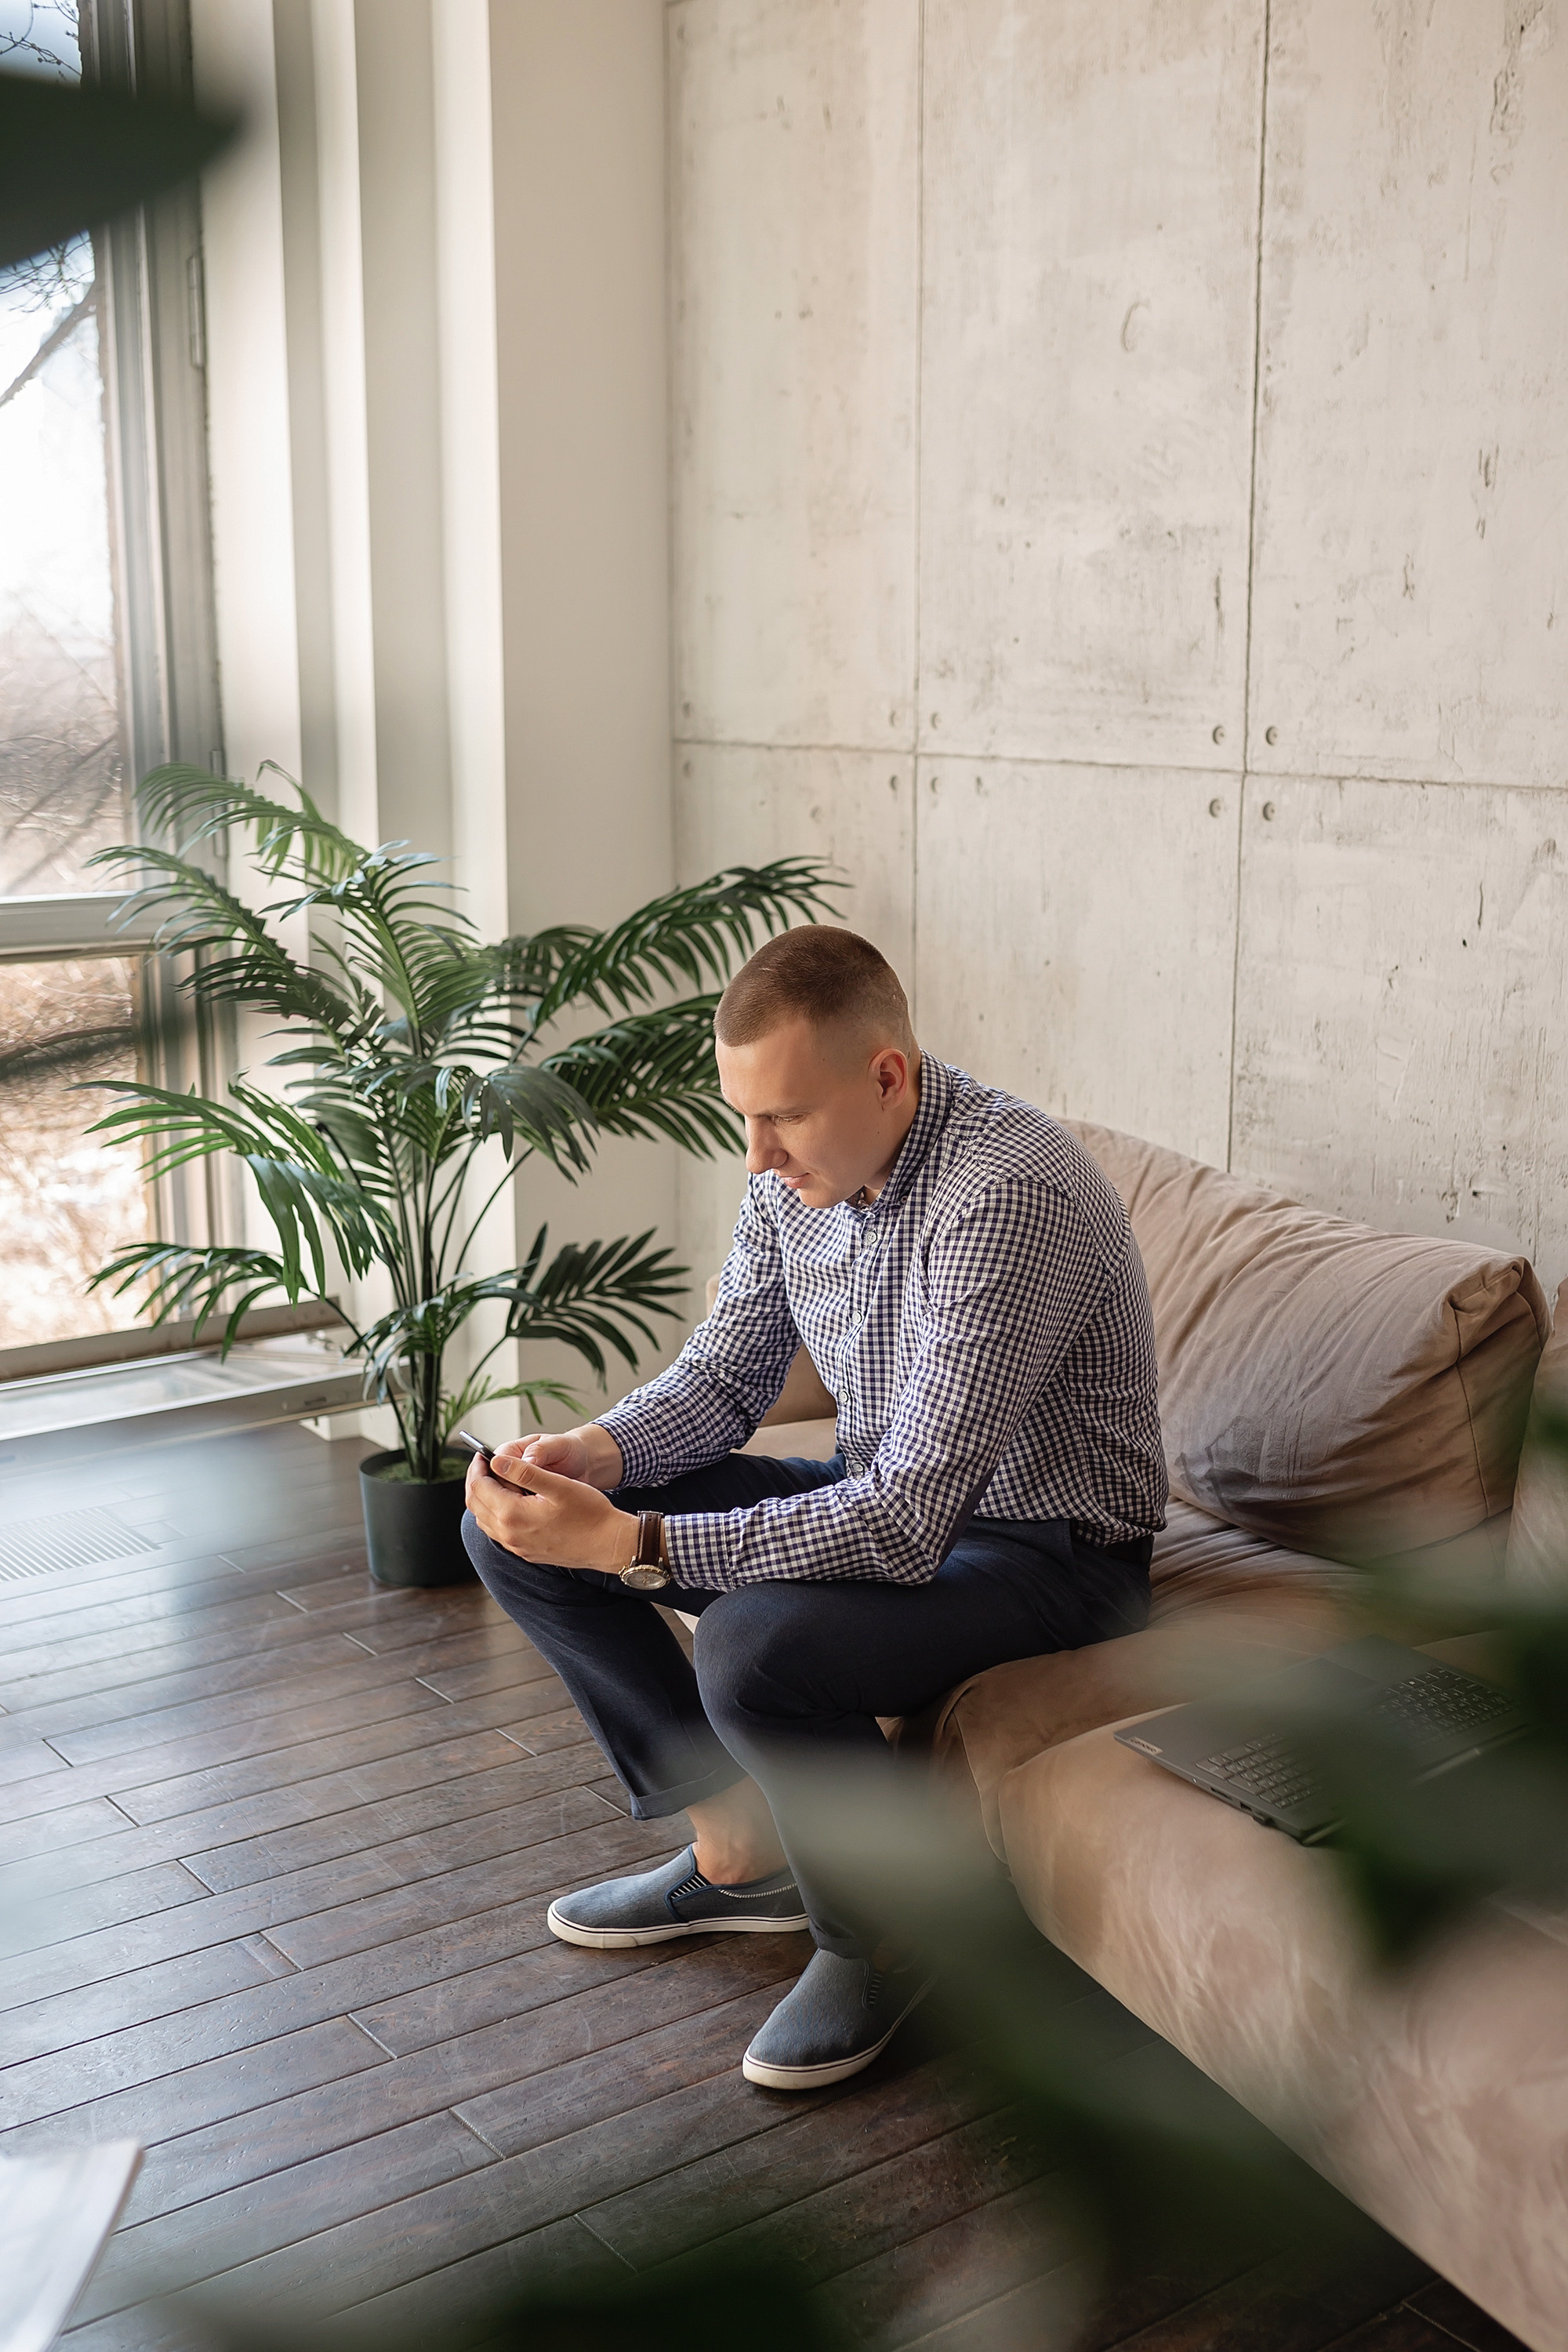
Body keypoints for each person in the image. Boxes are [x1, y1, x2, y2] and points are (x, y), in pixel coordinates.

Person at [463, 925, 1167, 2090]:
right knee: (521, 1533)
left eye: (781, 1115)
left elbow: (904, 1522)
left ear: (887, 1074)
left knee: (748, 1644)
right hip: (887, 1498)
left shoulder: (1009, 1194)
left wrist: (639, 1544)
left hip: (1054, 1557)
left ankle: (887, 1931)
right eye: (744, 1117)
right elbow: (729, 1375)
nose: (757, 1154)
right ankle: (739, 1852)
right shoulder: (799, 1179)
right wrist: (598, 1459)